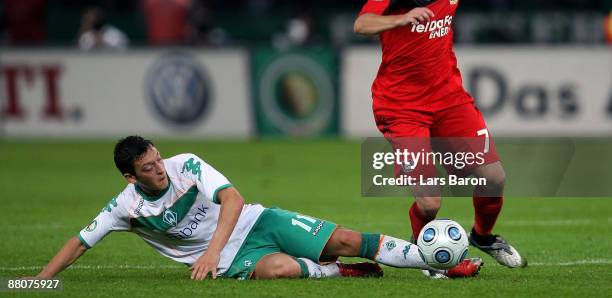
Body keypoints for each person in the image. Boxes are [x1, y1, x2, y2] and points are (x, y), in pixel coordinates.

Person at [353, 0, 582, 274]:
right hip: (402, 107)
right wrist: (399, 19)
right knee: (429, 203)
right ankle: (425, 257)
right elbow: (362, 23)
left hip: (448, 98)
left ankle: (483, 237)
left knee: (494, 178)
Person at [32, 136, 481, 281]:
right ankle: (337, 272)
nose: (159, 170)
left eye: (156, 158)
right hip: (232, 258)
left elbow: (233, 199)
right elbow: (79, 243)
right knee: (282, 270)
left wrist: (210, 251)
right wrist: (36, 283)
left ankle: (434, 261)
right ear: (131, 177)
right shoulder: (125, 207)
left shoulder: (185, 165)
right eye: (147, 169)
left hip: (252, 221)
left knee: (345, 238)